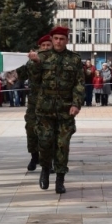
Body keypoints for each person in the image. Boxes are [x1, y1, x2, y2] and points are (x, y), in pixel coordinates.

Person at [27, 26, 83, 194]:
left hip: (65, 110)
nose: (59, 41)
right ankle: (45, 169)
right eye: (56, 38)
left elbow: (79, 84)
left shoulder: (74, 59)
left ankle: (60, 179)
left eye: (62, 39)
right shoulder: (41, 57)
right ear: (51, 40)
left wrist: (76, 103)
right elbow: (33, 81)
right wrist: (35, 63)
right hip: (44, 110)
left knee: (62, 145)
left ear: (67, 40)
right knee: (44, 143)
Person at [25, 34, 51, 171]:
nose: (46, 48)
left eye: (48, 45)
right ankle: (34, 156)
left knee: (50, 133)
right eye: (43, 45)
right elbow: (33, 75)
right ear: (39, 47)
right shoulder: (33, 60)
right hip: (35, 103)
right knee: (31, 129)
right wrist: (36, 62)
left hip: (52, 103)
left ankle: (49, 161)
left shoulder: (57, 59)